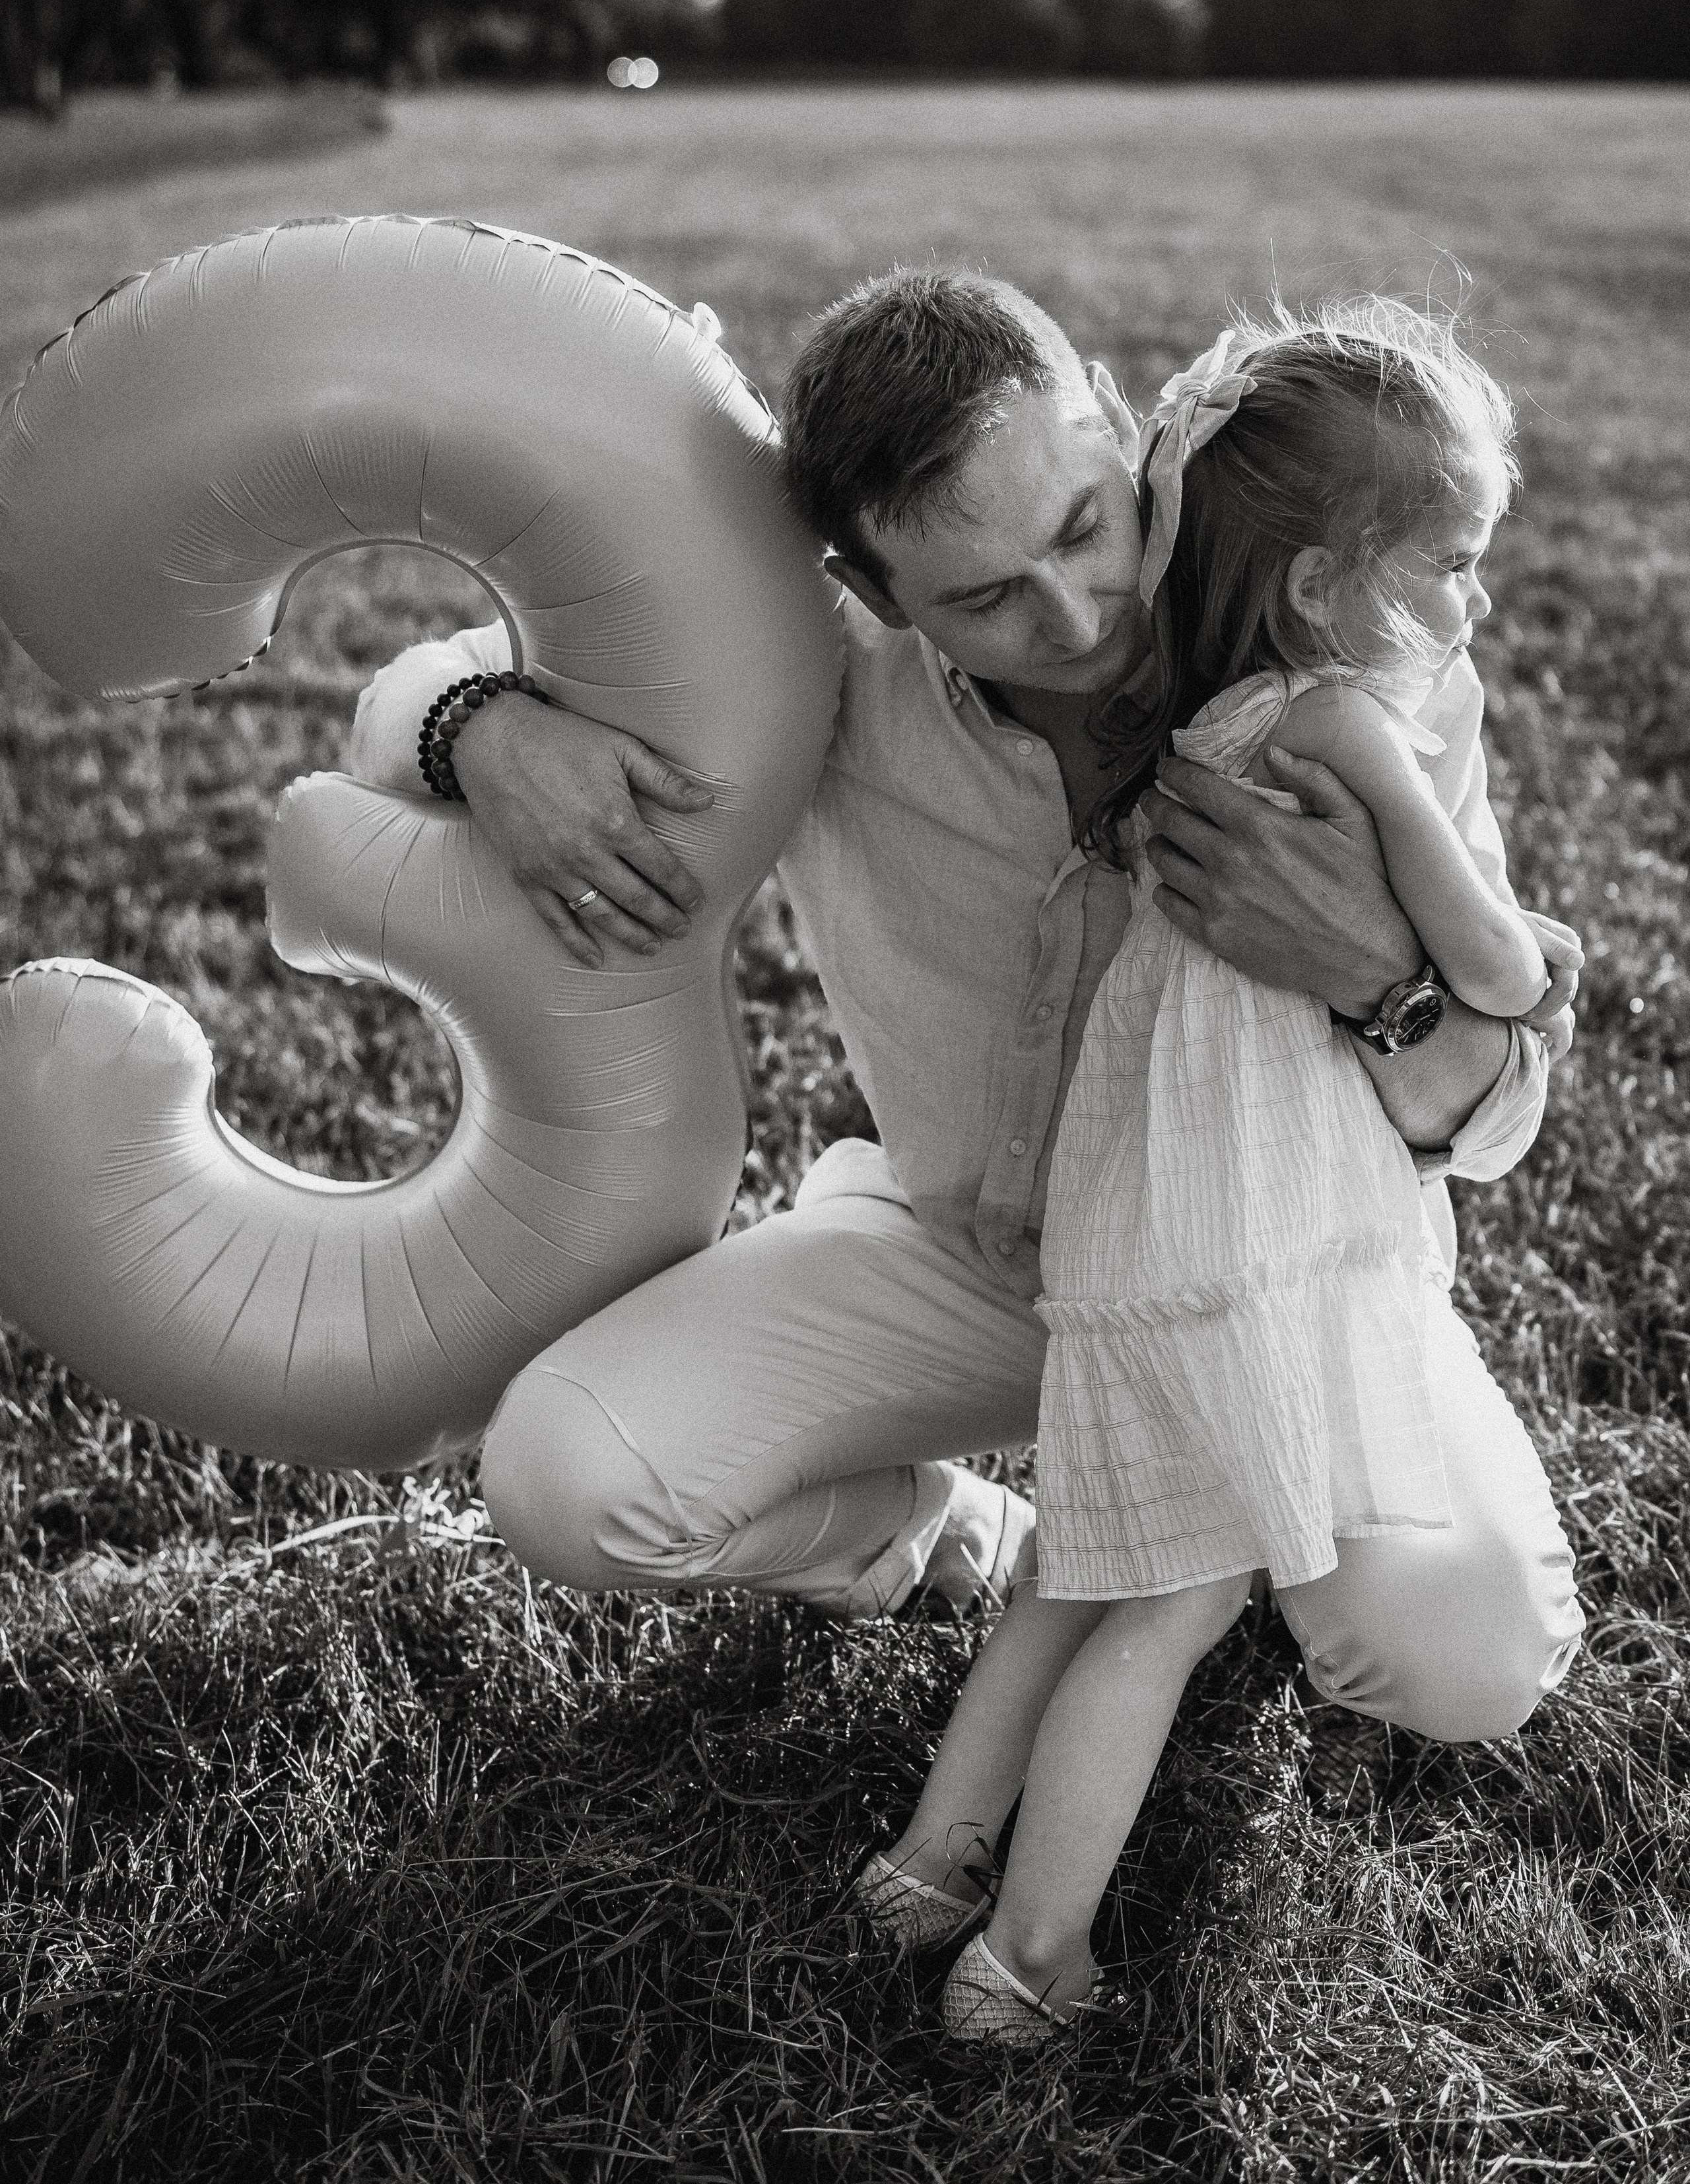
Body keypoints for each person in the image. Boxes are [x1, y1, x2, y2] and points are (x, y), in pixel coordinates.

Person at [345, 269, 1582, 1742]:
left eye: (1082, 528)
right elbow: (397, 697)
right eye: (982, 597)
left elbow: (1499, 1121)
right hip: (971, 1267)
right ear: (873, 593)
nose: (1070, 616)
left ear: (1111, 426)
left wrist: (1374, 976)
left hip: (1287, 1286)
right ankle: (953, 1539)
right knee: (567, 1476)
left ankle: (1235, 1532)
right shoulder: (797, 656)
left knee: (1466, 1661)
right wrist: (482, 731)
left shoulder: (1347, 658)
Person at [854, 304, 1582, 2043]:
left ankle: (928, 1861)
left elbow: (1456, 1077)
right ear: (1327, 585)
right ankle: (1027, 1958)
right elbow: (1495, 965)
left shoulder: (1189, 739)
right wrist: (1535, 957)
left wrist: (1400, 975)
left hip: (1133, 1228)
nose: (1473, 607)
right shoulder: (1336, 725)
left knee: (1079, 1573)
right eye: (1451, 568)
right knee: (1164, 1609)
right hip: (1259, 1252)